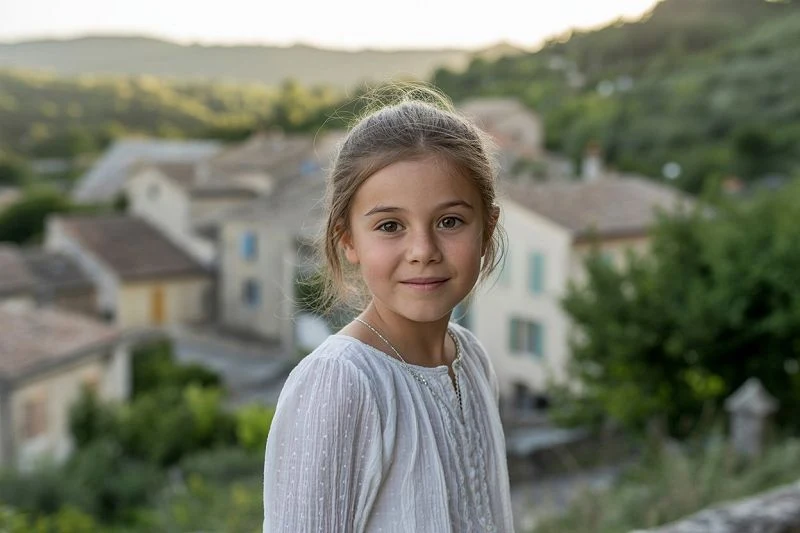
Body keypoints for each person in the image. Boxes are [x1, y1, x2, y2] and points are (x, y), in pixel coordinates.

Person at [263, 86, 514, 532]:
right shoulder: (341, 382)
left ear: (487, 228)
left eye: (450, 221)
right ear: (347, 239)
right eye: (390, 226)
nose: (423, 250)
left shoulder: (471, 359)